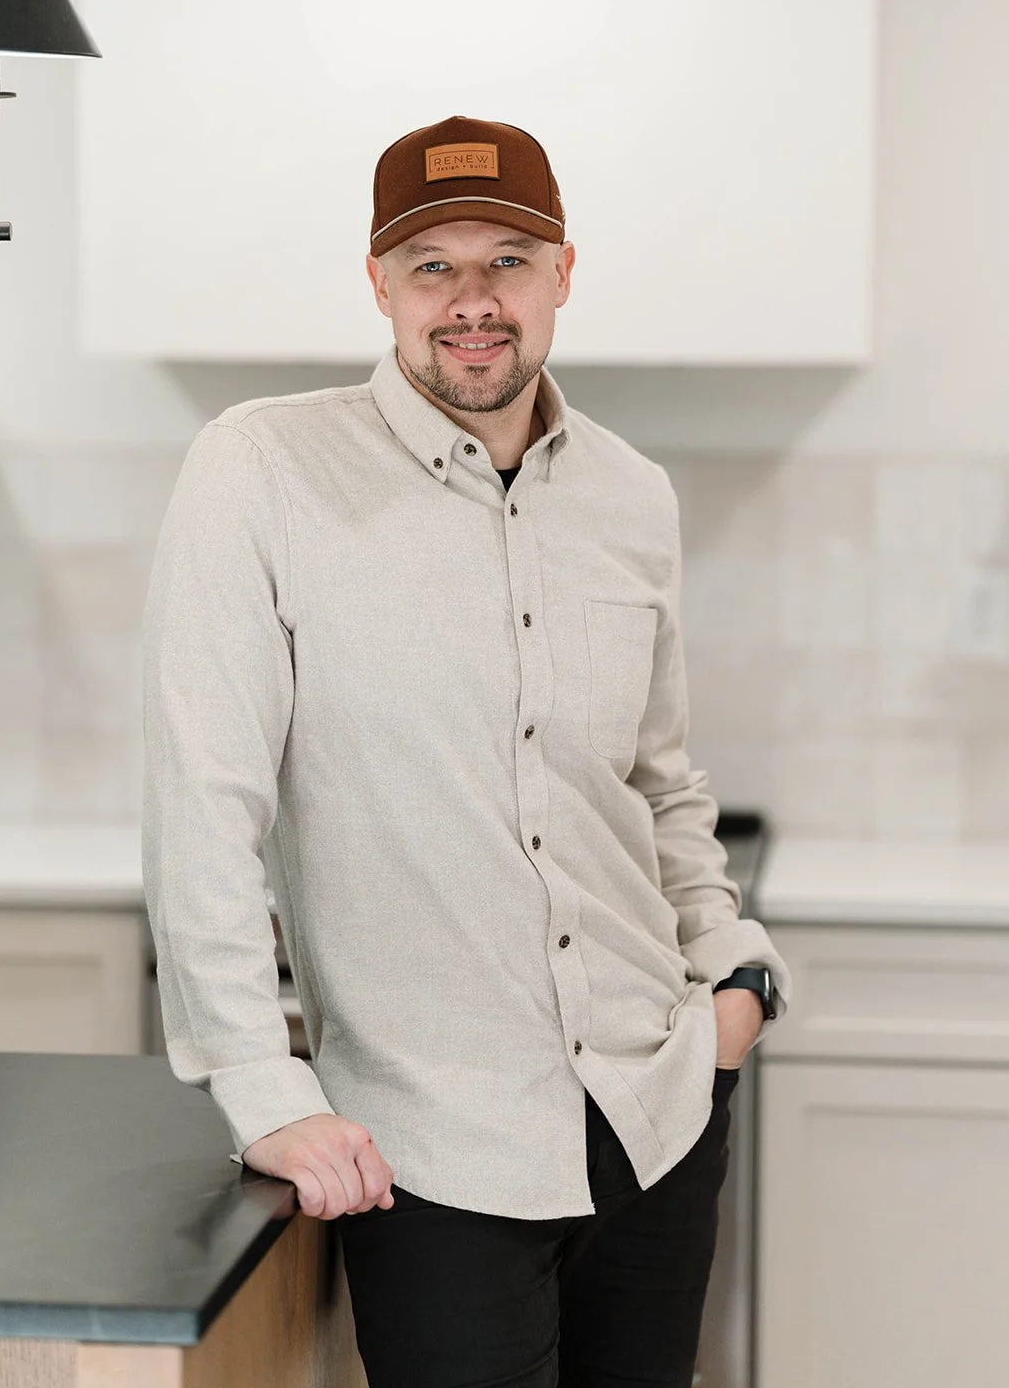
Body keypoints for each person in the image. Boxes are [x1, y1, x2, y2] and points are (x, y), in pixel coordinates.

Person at [142, 115, 793, 1388]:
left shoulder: (629, 491)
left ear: (562, 272)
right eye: (432, 264)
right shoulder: (260, 469)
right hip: (430, 1149)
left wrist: (732, 980)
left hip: (657, 1115)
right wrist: (260, 1087)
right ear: (377, 285)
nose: (471, 300)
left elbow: (658, 783)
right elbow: (201, 807)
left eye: (506, 258)